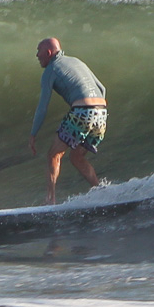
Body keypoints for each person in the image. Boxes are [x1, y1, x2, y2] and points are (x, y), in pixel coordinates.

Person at [27, 37, 107, 204]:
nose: (37, 55)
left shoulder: (51, 70)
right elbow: (102, 88)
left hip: (82, 112)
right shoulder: (76, 61)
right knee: (76, 158)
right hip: (101, 113)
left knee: (53, 155)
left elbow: (42, 107)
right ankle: (100, 191)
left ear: (49, 52)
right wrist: (95, 111)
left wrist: (33, 134)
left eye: (39, 51)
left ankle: (50, 202)